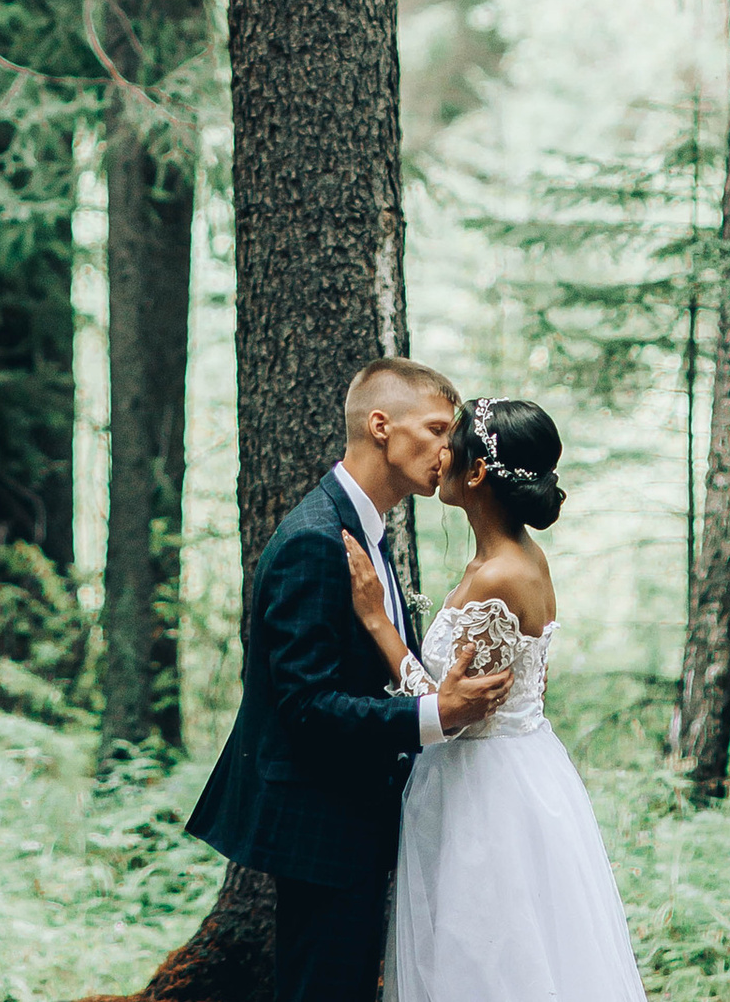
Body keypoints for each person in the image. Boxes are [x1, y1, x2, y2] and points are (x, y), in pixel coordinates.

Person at [187, 359, 516, 1002]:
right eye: (437, 429)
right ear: (380, 427)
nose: (449, 449)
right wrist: (437, 716)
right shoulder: (316, 540)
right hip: (322, 825)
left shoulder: (368, 529)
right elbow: (307, 706)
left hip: (356, 817)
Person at [345, 394, 648, 1002]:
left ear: (478, 471)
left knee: (485, 956)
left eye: (449, 442)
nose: (438, 454)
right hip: (516, 767)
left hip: (483, 793)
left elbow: (455, 713)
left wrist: (377, 620)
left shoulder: (499, 575)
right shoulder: (516, 558)